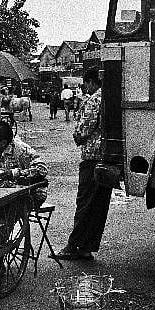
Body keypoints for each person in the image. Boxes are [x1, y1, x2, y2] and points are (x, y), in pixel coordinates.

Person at [54, 72, 108, 261]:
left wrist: (77, 136)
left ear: (92, 82)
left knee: (84, 204)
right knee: (99, 206)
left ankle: (73, 246)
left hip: (92, 157)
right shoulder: (109, 96)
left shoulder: (94, 100)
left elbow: (84, 129)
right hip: (107, 157)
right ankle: (86, 247)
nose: (86, 88)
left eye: (86, 84)